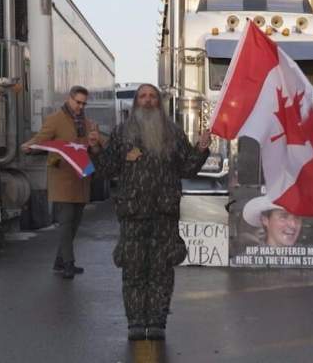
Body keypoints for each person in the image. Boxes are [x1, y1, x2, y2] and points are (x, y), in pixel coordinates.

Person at [89, 83, 211, 342]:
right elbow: (107, 170)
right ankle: (135, 322)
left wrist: (201, 149)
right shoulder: (122, 133)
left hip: (164, 213)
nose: (147, 100)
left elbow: (188, 169)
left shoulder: (173, 134)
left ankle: (157, 321)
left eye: (152, 96)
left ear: (159, 102)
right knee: (133, 270)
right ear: (135, 103)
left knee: (161, 271)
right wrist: (96, 149)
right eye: (142, 96)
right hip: (132, 213)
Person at [22, 85, 95, 279]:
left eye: (83, 103)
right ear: (69, 99)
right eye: (78, 102)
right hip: (62, 177)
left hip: (81, 178)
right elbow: (41, 139)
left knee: (75, 223)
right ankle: (69, 264)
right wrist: (30, 145)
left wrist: (95, 145)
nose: (80, 106)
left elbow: (94, 148)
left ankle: (59, 261)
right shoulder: (55, 120)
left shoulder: (87, 124)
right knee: (66, 222)